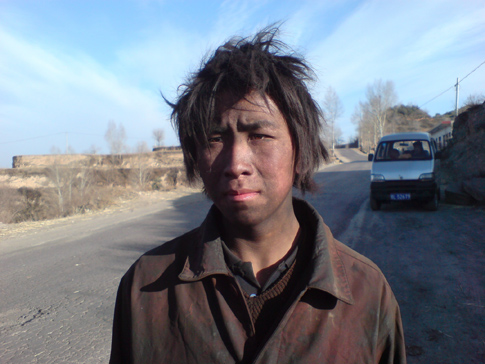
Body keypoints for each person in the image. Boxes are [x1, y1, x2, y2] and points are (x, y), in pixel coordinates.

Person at [109, 28, 406, 364]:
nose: (236, 164)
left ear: (301, 149)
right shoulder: (145, 288)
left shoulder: (366, 292)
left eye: (260, 136)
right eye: (214, 138)